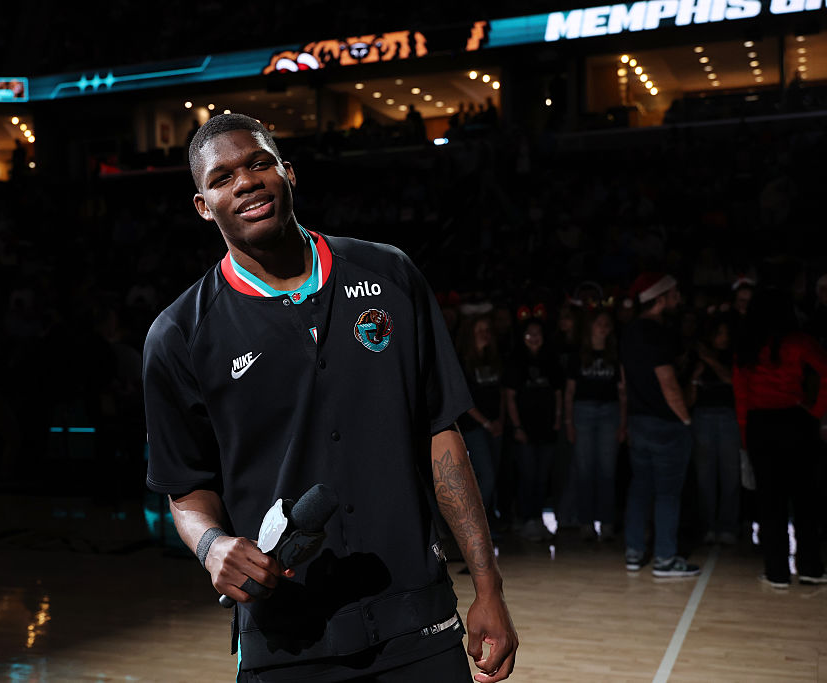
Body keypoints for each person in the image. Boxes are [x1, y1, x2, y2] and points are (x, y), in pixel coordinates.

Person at [143, 114, 517, 682]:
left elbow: (441, 436)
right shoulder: (179, 335)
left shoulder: (390, 274)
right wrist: (212, 545)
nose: (245, 182)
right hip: (286, 634)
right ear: (203, 205)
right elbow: (185, 484)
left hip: (416, 616)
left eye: (259, 163)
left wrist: (488, 586)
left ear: (288, 174)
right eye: (222, 178)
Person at [734, 287, 827, 588]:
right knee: (804, 499)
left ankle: (777, 573)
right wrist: (816, 411)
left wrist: (746, 434)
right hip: (797, 422)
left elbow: (741, 397)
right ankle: (811, 568)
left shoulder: (747, 345)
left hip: (761, 425)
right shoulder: (800, 341)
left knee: (770, 502)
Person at [620, 273, 701, 577]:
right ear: (660, 297)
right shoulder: (658, 333)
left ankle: (633, 552)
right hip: (665, 424)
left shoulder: (629, 332)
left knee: (640, 489)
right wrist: (686, 418)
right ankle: (665, 560)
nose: (678, 298)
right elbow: (668, 382)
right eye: (674, 293)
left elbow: (625, 382)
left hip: (639, 422)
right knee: (667, 493)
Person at [565, 310, 625, 542]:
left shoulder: (614, 354)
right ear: (590, 327)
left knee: (607, 470)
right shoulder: (578, 355)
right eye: (599, 323)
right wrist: (569, 422)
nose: (603, 327)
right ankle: (586, 523)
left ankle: (607, 523)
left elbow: (623, 393)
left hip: (609, 412)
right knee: (585, 470)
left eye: (606, 323)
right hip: (583, 411)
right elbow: (570, 392)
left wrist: (623, 422)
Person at [502, 319, 562, 542]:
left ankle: (538, 520)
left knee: (542, 476)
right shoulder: (516, 360)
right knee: (527, 475)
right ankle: (525, 519)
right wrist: (517, 426)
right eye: (530, 334)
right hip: (524, 428)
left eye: (538, 333)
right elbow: (510, 397)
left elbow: (558, 393)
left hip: (547, 427)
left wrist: (558, 420)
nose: (534, 337)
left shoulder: (551, 360)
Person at [686, 315, 741, 546]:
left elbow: (732, 380)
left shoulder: (733, 356)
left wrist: (711, 360)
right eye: (719, 333)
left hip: (728, 417)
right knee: (705, 475)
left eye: (727, 334)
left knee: (730, 474)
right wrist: (695, 377)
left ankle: (728, 526)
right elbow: (689, 398)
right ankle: (708, 526)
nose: (724, 338)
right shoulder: (696, 360)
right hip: (703, 418)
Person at [456, 314, 506, 524]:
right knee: (486, 477)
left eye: (487, 330)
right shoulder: (462, 361)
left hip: (495, 425)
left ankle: (488, 522)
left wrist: (500, 421)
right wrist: (485, 422)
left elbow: (501, 393)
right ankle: (472, 526)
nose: (485, 334)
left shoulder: (494, 359)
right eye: (480, 330)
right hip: (474, 426)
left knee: (494, 474)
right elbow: (463, 399)